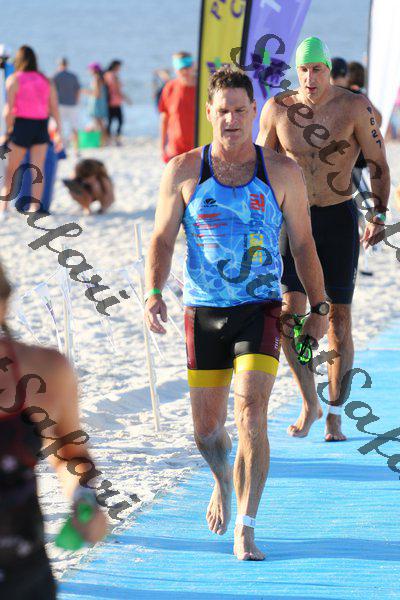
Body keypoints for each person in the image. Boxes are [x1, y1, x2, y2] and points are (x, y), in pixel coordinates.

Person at [145, 68, 328, 560]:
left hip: (260, 309)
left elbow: (304, 243)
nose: (231, 119)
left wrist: (319, 305)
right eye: (222, 110)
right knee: (206, 432)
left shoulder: (282, 172)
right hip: (203, 311)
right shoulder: (183, 170)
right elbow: (161, 238)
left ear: (253, 112)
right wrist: (153, 291)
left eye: (240, 110)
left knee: (251, 411)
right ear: (209, 112)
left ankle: (246, 526)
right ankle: (222, 478)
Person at [257, 37, 390, 441]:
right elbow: (260, 169)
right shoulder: (278, 109)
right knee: (288, 317)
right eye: (303, 70)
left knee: (339, 322)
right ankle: (308, 401)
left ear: (328, 70)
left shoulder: (354, 107)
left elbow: (378, 163)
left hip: (338, 219)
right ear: (296, 72)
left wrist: (379, 214)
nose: (310, 77)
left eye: (317, 69)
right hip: (294, 220)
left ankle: (334, 412)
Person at [0, 263, 107, 598]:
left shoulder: (44, 370)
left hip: (24, 574)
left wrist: (84, 498)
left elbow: (69, 452)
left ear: (4, 302)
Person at [0, 45, 62, 214]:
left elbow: (8, 110)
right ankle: (35, 206)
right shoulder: (46, 80)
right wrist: (59, 132)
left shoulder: (14, 79)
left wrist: (7, 130)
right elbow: (54, 108)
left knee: (12, 169)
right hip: (41, 125)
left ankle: (4, 206)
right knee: (38, 169)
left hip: (22, 126)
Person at [158, 51, 196, 163]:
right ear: (175, 69)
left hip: (199, 145)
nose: (185, 71)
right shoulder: (170, 87)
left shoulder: (203, 87)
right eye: (181, 68)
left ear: (193, 66)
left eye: (187, 67)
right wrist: (162, 146)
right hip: (175, 148)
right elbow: (164, 118)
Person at [53, 57, 81, 152]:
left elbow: (52, 91)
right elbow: (78, 90)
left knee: (59, 126)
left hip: (60, 105)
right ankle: (76, 149)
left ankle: (60, 148)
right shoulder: (73, 76)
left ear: (59, 64)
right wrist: (76, 102)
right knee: (74, 127)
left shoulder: (56, 76)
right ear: (67, 64)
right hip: (72, 105)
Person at [104, 60, 130, 145]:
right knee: (119, 121)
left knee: (110, 121)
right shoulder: (112, 75)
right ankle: (116, 139)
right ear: (115, 66)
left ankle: (109, 139)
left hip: (109, 101)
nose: (119, 68)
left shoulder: (106, 74)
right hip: (114, 101)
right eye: (119, 67)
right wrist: (126, 99)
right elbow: (116, 89)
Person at [86, 63, 108, 144]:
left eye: (90, 69)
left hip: (96, 103)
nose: (89, 71)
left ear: (94, 70)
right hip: (101, 102)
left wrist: (85, 91)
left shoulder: (96, 78)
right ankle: (104, 140)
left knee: (98, 123)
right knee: (100, 123)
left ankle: (102, 141)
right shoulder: (101, 78)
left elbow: (97, 93)